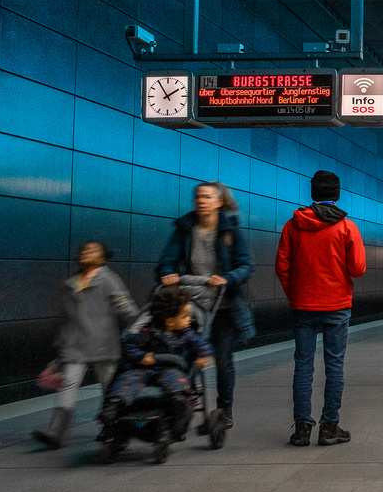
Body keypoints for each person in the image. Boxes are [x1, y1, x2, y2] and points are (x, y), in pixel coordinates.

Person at [155, 181, 255, 434]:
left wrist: (227, 278)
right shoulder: (185, 229)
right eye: (198, 197)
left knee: (222, 360)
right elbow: (167, 261)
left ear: (219, 202)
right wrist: (168, 274)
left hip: (223, 304)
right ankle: (184, 405)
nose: (201, 201)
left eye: (208, 197)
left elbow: (246, 266)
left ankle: (224, 410)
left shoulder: (230, 230)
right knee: (184, 359)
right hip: (190, 306)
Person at [277, 169, 367, 446]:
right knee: (334, 366)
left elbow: (282, 267)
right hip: (337, 305)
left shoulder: (293, 225)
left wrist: (296, 294)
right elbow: (358, 268)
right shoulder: (346, 227)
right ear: (337, 195)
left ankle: (302, 428)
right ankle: (329, 427)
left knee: (303, 366)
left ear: (313, 193)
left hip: (303, 305)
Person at [33, 240, 138, 448]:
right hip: (75, 344)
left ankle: (112, 428)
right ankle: (57, 432)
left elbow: (125, 307)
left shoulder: (109, 280)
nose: (86, 252)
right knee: (69, 383)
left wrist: (139, 324)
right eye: (84, 249)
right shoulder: (71, 283)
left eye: (93, 250)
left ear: (103, 256)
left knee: (108, 386)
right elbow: (66, 318)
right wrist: (61, 346)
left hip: (103, 343)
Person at [98, 286, 213, 441]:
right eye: (185, 316)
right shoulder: (148, 332)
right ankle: (113, 407)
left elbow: (201, 344)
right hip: (143, 368)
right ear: (170, 321)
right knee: (127, 380)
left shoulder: (186, 334)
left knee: (176, 380)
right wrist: (141, 356)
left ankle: (178, 406)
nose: (189, 320)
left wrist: (203, 355)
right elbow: (129, 346)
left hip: (170, 368)